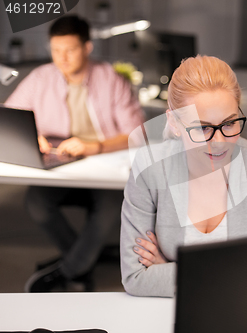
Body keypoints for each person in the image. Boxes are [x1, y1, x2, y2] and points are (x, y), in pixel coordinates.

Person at [120, 55, 247, 297]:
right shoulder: (150, 167)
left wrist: (171, 271)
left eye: (229, 124)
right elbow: (135, 277)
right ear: (174, 123)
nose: (219, 142)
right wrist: (232, 276)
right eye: (203, 128)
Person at [5, 15, 144, 292]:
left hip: (102, 167)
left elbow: (137, 133)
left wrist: (96, 146)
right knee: (36, 202)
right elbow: (9, 117)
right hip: (62, 165)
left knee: (108, 209)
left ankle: (69, 272)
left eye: (69, 50)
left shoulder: (111, 79)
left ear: (87, 48)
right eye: (56, 50)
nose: (62, 58)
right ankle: (83, 259)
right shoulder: (41, 78)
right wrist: (34, 137)